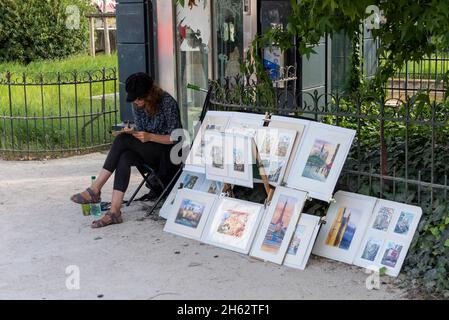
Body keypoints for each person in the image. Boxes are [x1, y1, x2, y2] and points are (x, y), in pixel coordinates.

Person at [70, 72, 182, 228]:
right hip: (149, 149)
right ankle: (115, 211)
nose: (136, 102)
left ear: (150, 93)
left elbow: (177, 137)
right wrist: (132, 132)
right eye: (134, 99)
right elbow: (143, 131)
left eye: (139, 98)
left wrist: (149, 137)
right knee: (125, 156)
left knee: (121, 141)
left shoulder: (167, 102)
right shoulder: (137, 105)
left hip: (168, 155)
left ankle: (95, 190)